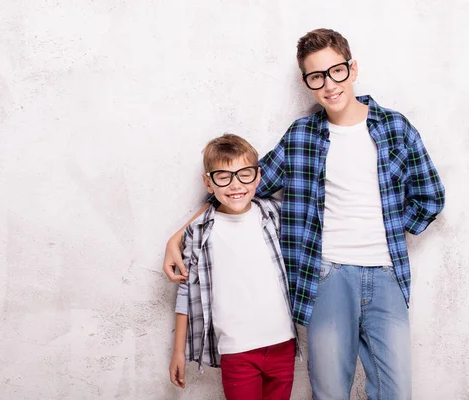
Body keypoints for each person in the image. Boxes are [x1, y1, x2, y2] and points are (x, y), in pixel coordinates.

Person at [163, 29, 445, 400]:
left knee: (396, 392)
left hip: (387, 277)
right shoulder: (301, 136)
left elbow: (431, 196)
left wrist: (390, 231)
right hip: (326, 277)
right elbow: (240, 187)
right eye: (317, 76)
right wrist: (178, 236)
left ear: (352, 68)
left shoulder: (395, 128)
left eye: (336, 71)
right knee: (329, 392)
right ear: (307, 82)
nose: (329, 84)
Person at [168, 133, 296, 400]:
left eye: (244, 174)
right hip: (237, 350)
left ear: (258, 176)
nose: (235, 185)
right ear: (208, 182)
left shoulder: (273, 214)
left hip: (282, 343)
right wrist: (178, 351)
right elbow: (186, 290)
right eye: (224, 177)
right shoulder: (199, 231)